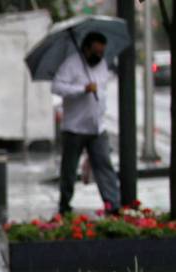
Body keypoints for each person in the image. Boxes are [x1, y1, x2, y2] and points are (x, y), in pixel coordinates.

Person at [52, 31, 121, 215]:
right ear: (86, 48)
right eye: (96, 52)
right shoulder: (71, 65)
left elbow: (103, 89)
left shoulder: (102, 65)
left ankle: (112, 203)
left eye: (102, 52)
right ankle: (64, 204)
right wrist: (81, 89)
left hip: (97, 127)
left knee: (104, 165)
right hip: (74, 128)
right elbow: (57, 87)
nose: (99, 56)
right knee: (69, 169)